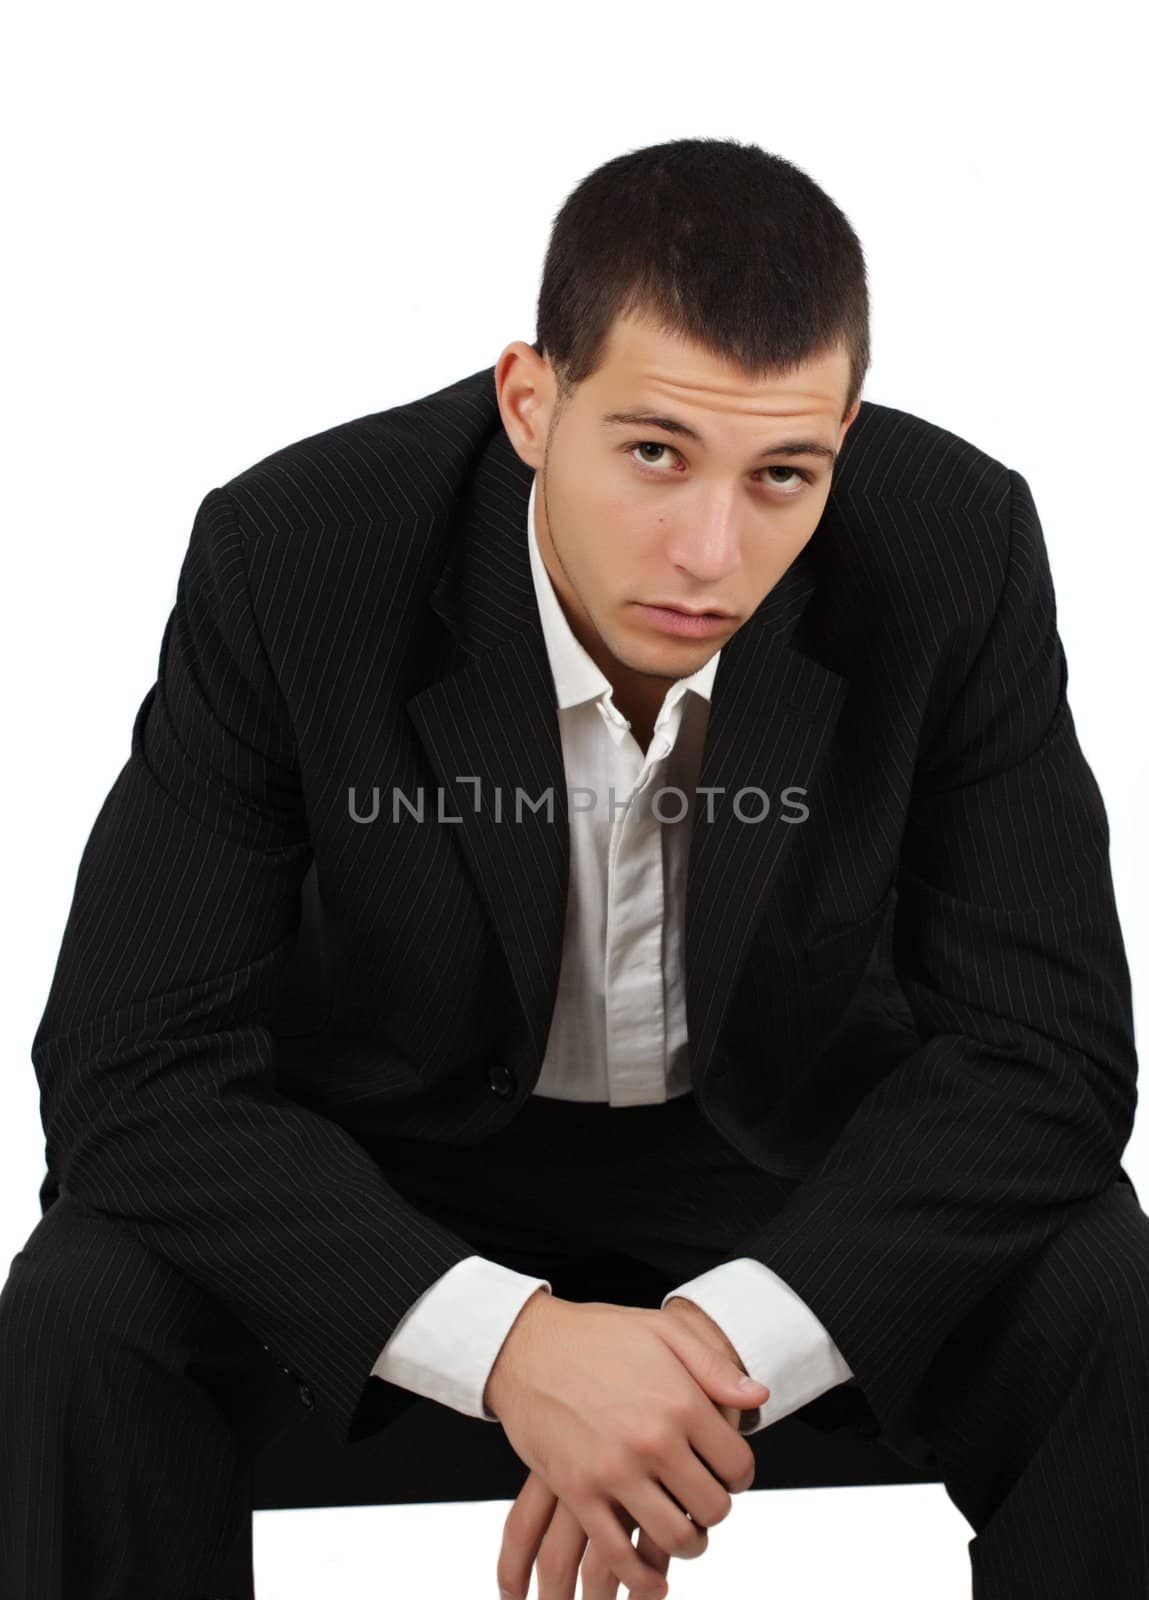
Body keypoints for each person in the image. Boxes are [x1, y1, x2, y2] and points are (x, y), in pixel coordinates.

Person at [1, 135, 1145, 1600]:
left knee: (1105, 1294)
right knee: (86, 1313)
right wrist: (507, 1346)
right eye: (654, 453)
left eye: (782, 474)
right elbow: (129, 1064)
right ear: (530, 400)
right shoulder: (298, 552)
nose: (711, 555)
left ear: (840, 443)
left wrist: (720, 1349)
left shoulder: (955, 543)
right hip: (393, 1161)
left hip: (784, 1164)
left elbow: (1045, 1055)